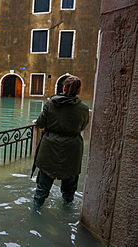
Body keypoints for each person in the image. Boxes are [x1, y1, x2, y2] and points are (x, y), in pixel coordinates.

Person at [33, 76, 89, 209]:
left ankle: (36, 211)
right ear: (79, 90)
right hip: (72, 149)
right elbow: (82, 127)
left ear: (63, 88)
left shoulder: (51, 103)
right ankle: (67, 209)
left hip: (50, 147)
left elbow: (40, 123)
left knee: (43, 185)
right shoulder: (83, 108)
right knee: (69, 186)